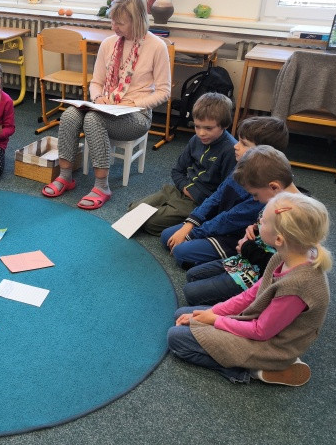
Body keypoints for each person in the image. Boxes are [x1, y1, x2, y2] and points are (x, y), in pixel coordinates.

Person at [167, 191, 332, 387]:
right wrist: (214, 312)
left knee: (176, 339)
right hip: (257, 321)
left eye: (264, 221)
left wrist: (215, 320)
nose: (258, 222)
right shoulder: (282, 255)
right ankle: (247, 360)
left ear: (279, 239)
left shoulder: (298, 284)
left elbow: (261, 331)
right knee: (181, 315)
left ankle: (253, 370)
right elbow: (251, 295)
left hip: (272, 347)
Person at [41, 0, 171, 210]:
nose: (114, 27)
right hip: (106, 106)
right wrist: (98, 97)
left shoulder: (157, 46)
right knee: (70, 115)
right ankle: (65, 176)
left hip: (136, 115)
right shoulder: (109, 44)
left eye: (120, 23)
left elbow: (164, 92)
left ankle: (102, 186)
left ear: (137, 20)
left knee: (93, 120)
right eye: (112, 21)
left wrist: (134, 104)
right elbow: (96, 82)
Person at [160, 117, 289, 269]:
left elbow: (229, 220)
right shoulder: (241, 166)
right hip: (218, 224)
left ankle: (223, 260)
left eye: (244, 144)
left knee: (181, 252)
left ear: (264, 153)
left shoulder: (263, 188)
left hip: (233, 236)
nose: (236, 146)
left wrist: (191, 234)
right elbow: (216, 196)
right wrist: (189, 225)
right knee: (166, 237)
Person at [182, 146, 304, 307]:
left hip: (259, 276)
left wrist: (247, 248)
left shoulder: (295, 218)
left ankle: (243, 308)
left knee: (190, 293)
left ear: (274, 186)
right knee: (192, 275)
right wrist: (255, 228)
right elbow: (265, 226)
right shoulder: (276, 199)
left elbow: (282, 268)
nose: (255, 199)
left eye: (255, 194)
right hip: (246, 260)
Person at [129, 92, 236, 235]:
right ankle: (171, 211)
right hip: (179, 190)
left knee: (151, 222)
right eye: (197, 126)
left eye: (208, 128)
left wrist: (198, 197)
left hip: (199, 203)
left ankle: (189, 222)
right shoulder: (196, 140)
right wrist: (185, 187)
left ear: (225, 125)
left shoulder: (231, 151)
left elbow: (226, 193)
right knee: (133, 210)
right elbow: (177, 170)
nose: (201, 133)